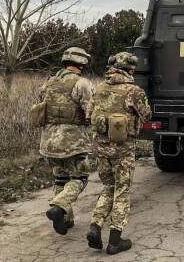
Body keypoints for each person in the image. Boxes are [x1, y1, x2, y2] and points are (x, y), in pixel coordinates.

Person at [87, 52, 151, 255]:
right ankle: (115, 240)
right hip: (122, 149)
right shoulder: (134, 91)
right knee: (122, 190)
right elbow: (147, 116)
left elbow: (88, 114)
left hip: (100, 147)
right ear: (131, 69)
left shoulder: (98, 89)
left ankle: (95, 226)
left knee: (108, 187)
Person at [38, 47, 94, 235]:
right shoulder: (82, 84)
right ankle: (59, 207)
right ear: (82, 63)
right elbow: (90, 112)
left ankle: (65, 219)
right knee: (80, 178)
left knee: (60, 178)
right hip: (73, 142)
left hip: (48, 141)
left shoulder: (48, 83)